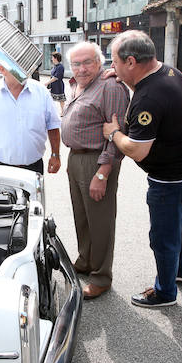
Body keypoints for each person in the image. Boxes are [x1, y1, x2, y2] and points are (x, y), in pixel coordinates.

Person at [103, 30, 182, 309]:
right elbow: (152, 93)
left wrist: (113, 132)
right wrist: (125, 79)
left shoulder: (149, 98)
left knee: (163, 237)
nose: (111, 69)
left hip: (172, 177)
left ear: (131, 61)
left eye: (114, 63)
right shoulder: (169, 72)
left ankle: (165, 292)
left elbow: (137, 149)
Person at [61, 42, 130, 300]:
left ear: (100, 62)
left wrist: (102, 173)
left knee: (100, 220)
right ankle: (86, 259)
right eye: (76, 64)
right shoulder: (75, 85)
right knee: (82, 215)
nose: (82, 68)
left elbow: (117, 132)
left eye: (87, 62)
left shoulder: (110, 86)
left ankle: (101, 276)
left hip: (96, 161)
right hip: (76, 158)